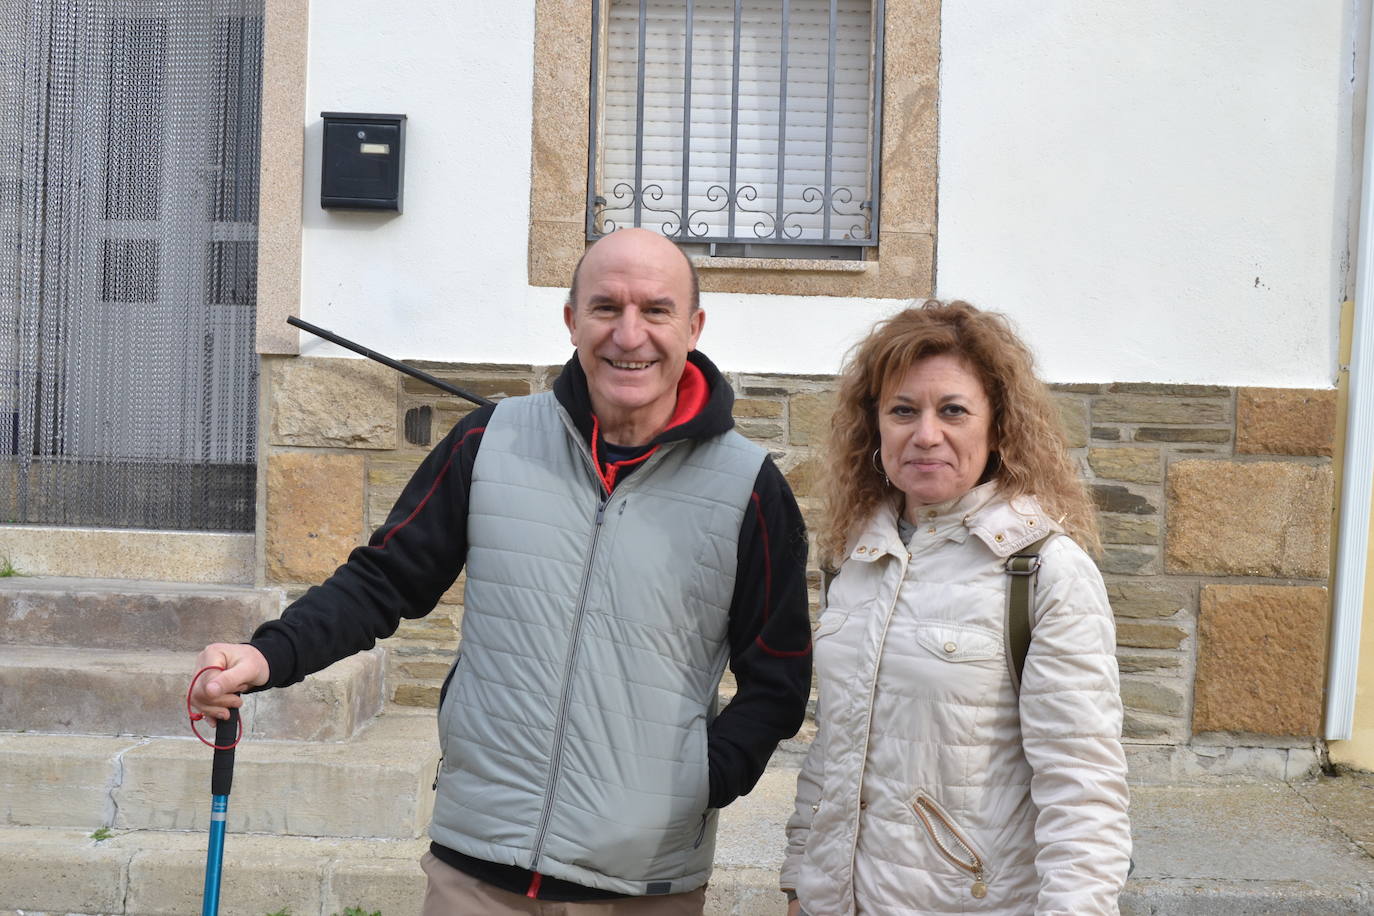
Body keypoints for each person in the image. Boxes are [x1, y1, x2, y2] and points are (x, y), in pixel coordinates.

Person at [190, 228, 813, 914]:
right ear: (572, 320)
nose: (628, 335)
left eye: (656, 310)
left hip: (643, 885)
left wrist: (697, 781)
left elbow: (778, 678)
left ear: (692, 327)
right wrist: (267, 653)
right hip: (477, 872)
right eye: (605, 308)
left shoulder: (748, 487)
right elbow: (383, 581)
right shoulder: (491, 440)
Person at [780, 301, 1130, 915]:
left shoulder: (1044, 570)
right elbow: (836, 748)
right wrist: (799, 879)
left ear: (997, 428)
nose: (926, 434)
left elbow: (1082, 789)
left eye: (954, 411)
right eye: (903, 411)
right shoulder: (856, 559)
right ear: (875, 427)